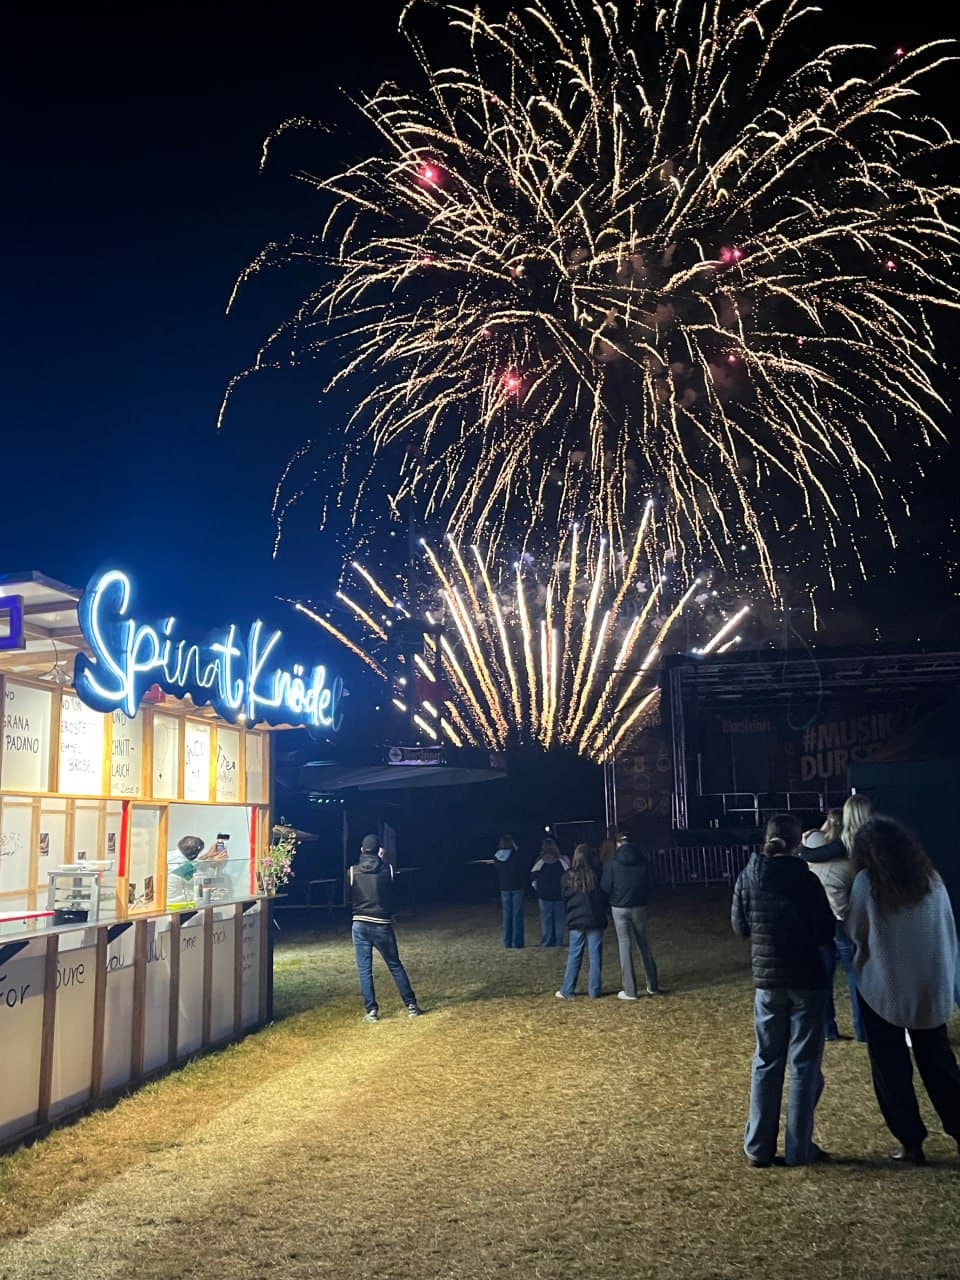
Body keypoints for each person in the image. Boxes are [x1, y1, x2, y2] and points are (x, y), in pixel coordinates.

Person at [846, 816, 960, 1164]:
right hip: (929, 987)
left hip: (884, 987)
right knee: (940, 1064)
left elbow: (856, 930)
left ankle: (911, 1142)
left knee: (890, 1068)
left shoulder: (868, 883)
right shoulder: (931, 880)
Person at [732, 813, 836, 1167]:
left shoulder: (749, 877)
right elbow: (825, 932)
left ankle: (758, 1147)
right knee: (804, 1064)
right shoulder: (806, 881)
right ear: (797, 843)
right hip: (806, 979)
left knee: (766, 1060)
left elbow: (739, 925)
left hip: (767, 982)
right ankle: (798, 1147)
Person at [801, 797, 872, 1042]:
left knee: (824, 978)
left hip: (819, 922)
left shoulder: (813, 859)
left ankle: (828, 1028)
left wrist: (811, 837)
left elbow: (811, 847)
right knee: (854, 975)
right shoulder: (851, 860)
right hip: (844, 920)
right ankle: (862, 1029)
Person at [349, 834, 422, 1022]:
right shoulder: (387, 869)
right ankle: (411, 1005)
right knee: (395, 965)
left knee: (365, 969)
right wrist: (383, 859)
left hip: (360, 922)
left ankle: (371, 1010)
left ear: (362, 850)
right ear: (379, 850)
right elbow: (393, 888)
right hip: (382, 923)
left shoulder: (352, 871)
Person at [601, 830, 661, 1000]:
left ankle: (630, 990)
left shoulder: (612, 863)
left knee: (624, 945)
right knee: (644, 944)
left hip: (619, 907)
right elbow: (652, 882)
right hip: (640, 906)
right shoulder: (643, 862)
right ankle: (653, 984)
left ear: (617, 844)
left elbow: (605, 887)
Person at [556, 844, 608, 999]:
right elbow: (602, 897)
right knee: (595, 955)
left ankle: (568, 989)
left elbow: (564, 898)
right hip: (595, 919)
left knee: (574, 954)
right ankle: (594, 990)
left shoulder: (567, 877)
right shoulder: (596, 875)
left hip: (576, 920)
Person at [530, 838, 568, 947]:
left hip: (544, 895)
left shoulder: (540, 861)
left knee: (546, 920)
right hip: (559, 895)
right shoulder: (561, 861)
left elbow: (532, 876)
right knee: (559, 920)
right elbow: (569, 875)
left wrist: (537, 888)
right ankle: (559, 942)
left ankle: (546, 942)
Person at [494, 833, 527, 948]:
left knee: (507, 915)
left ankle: (507, 942)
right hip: (516, 886)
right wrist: (515, 847)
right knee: (517, 915)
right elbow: (522, 861)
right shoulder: (514, 855)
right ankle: (517, 942)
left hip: (504, 887)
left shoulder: (497, 856)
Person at [166, 835, 204, 905]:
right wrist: (212, 864)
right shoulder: (181, 866)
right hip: (177, 907)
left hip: (166, 902)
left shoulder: (169, 855)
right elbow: (200, 881)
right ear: (194, 855)